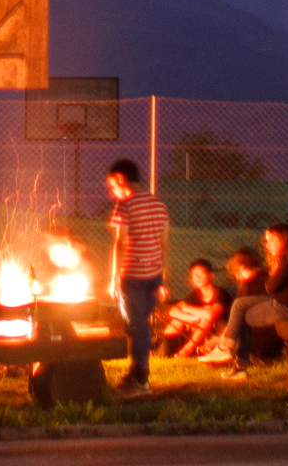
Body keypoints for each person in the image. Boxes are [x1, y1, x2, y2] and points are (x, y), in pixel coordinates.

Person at [203, 222, 288, 375]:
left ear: (284, 239)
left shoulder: (286, 259)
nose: (267, 245)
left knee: (241, 316)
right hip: (286, 303)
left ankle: (229, 354)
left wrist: (274, 272)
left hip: (286, 307)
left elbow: (271, 287)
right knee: (240, 304)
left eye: (271, 240)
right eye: (266, 241)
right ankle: (233, 358)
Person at [107, 156, 169, 397]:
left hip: (132, 276)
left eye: (112, 185)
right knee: (138, 326)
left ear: (121, 179)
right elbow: (164, 242)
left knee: (137, 326)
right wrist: (163, 276)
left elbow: (119, 244)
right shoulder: (158, 203)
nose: (112, 191)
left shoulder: (125, 205)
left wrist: (114, 278)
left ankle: (141, 381)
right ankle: (135, 373)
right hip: (154, 276)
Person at [158, 258, 231, 357]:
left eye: (200, 274)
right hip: (200, 329)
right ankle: (162, 347)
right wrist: (191, 318)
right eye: (193, 275)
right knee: (178, 319)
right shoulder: (195, 294)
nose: (196, 278)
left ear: (211, 276)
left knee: (205, 318)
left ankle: (187, 350)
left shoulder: (220, 293)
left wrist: (186, 309)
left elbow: (210, 315)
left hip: (222, 331)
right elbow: (172, 311)